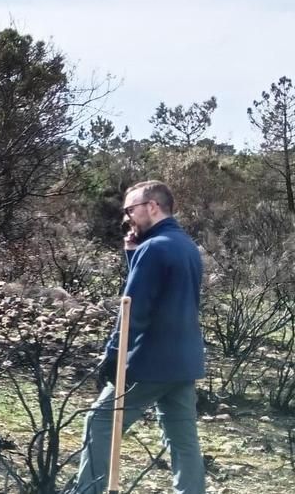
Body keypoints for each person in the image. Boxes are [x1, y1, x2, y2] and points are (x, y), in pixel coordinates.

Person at [75, 180, 205, 494]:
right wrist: (133, 256)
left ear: (152, 206)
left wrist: (113, 353)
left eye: (130, 209)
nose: (127, 217)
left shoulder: (154, 248)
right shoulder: (186, 245)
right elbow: (162, 290)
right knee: (183, 440)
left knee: (100, 422)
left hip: (150, 361)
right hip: (184, 361)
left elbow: (133, 307)